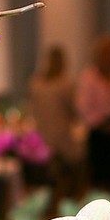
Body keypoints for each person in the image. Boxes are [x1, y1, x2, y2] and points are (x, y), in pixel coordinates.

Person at [75, 35, 110, 191]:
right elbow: (83, 108)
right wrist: (104, 125)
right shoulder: (89, 77)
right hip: (99, 134)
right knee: (100, 182)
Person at [27, 45, 83, 197]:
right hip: (61, 138)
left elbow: (32, 109)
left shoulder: (36, 83)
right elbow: (74, 111)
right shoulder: (65, 84)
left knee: (49, 180)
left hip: (41, 137)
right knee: (74, 169)